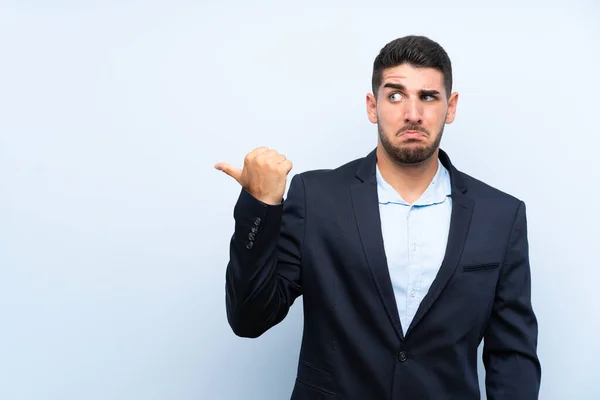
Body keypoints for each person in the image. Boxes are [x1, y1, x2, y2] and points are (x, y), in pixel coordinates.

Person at [215, 35, 541, 399]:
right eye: (396, 95)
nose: (412, 114)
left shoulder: (500, 215)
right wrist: (260, 206)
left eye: (428, 97)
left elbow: (512, 356)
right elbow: (249, 318)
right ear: (372, 106)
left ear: (451, 107)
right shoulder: (317, 198)